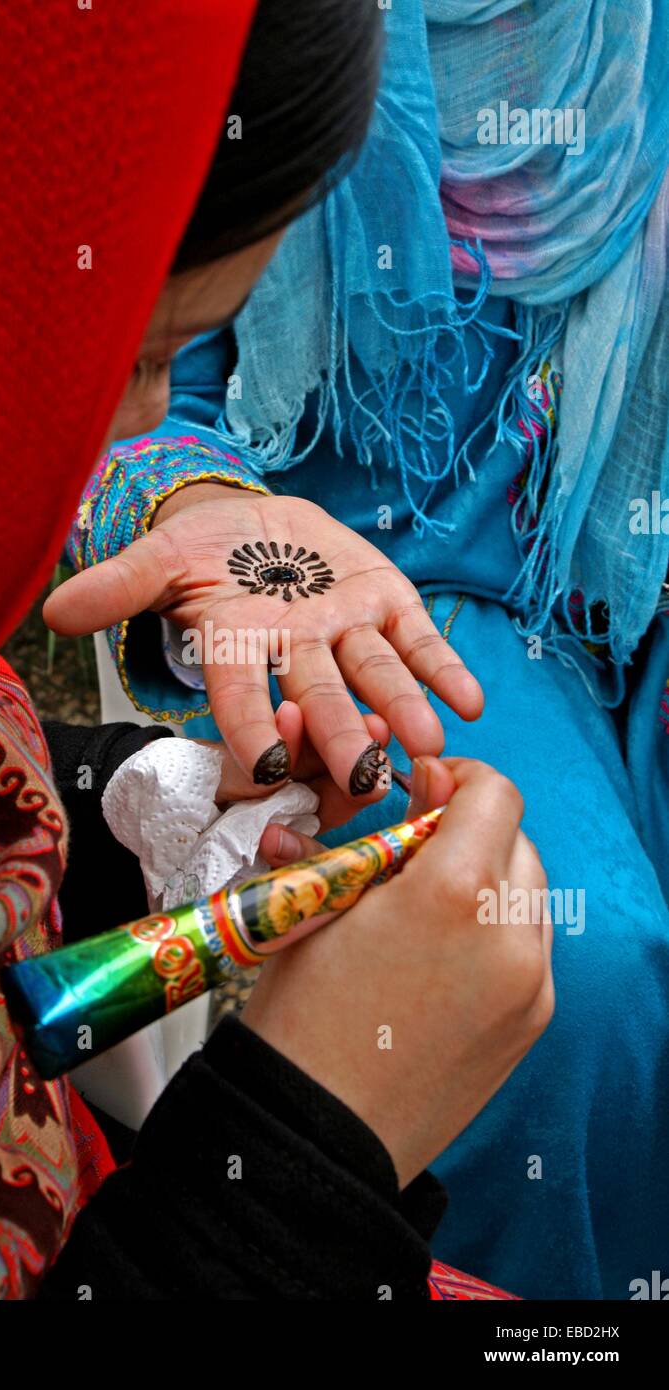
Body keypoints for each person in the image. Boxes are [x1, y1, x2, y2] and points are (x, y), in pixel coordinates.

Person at [0, 0, 551, 1301]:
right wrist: (311, 1128)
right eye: (130, 355)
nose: (131, 425)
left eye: (179, 355)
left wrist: (135, 797)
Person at [44, 0, 669, 1299]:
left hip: (626, 586)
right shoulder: (267, 55)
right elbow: (122, 406)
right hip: (384, 614)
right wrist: (208, 511)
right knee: (574, 952)